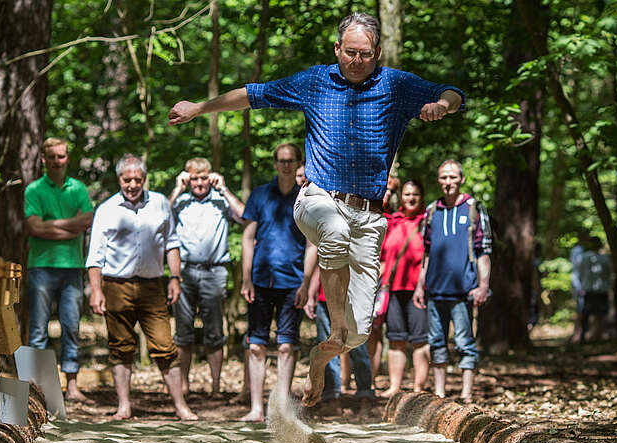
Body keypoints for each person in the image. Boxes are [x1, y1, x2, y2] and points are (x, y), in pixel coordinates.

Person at [168, 12, 464, 407]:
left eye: (366, 54)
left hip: (369, 215)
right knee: (334, 232)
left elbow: (452, 91)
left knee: (359, 332)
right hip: (317, 201)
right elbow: (253, 94)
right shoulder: (314, 82)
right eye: (350, 52)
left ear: (377, 53)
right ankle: (336, 324)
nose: (357, 61)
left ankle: (322, 355)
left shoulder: (395, 86)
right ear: (337, 49)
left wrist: (442, 105)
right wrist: (198, 108)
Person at [86, 154, 197, 421]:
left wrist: (175, 277)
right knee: (120, 347)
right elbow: (95, 255)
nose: (133, 184)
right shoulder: (106, 209)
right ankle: (124, 406)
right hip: (116, 286)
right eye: (127, 179)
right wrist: (97, 290)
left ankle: (181, 407)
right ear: (119, 179)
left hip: (152, 287)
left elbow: (171, 243)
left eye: (138, 179)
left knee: (165, 346)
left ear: (145, 178)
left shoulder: (159, 203)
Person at [239, 143, 315, 422]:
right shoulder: (259, 195)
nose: (285, 165)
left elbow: (312, 245)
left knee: (286, 346)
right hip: (259, 280)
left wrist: (306, 284)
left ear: (298, 163)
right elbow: (248, 239)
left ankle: (281, 406)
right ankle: (257, 408)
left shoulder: (306, 199)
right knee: (257, 345)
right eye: (281, 160)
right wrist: (245, 278)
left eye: (290, 161)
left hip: (292, 282)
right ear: (275, 163)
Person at [412, 160, 491, 402]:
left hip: (464, 290)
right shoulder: (432, 211)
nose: (448, 182)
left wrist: (483, 286)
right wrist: (419, 286)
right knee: (436, 343)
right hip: (435, 290)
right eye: (444, 178)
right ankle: (440, 394)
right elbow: (426, 252)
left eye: (452, 177)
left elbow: (484, 251)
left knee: (465, 343)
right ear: (439, 180)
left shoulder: (473, 209)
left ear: (461, 179)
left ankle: (467, 395)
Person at [25, 138, 94, 403]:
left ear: (67, 158)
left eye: (61, 156)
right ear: (43, 159)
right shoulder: (34, 189)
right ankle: (36, 389)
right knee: (39, 328)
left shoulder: (78, 188)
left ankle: (72, 387)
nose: (57, 161)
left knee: (71, 326)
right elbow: (34, 227)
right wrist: (71, 226)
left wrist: (52, 225)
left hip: (72, 267)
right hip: (41, 266)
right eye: (52, 157)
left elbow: (87, 221)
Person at [169, 157, 245, 397]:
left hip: (215, 271)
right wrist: (176, 189)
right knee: (183, 333)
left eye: (204, 178)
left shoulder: (221, 200)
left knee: (214, 332)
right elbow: (157, 219)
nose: (199, 183)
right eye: (194, 178)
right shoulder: (180, 200)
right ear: (188, 179)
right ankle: (183, 386)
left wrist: (224, 189)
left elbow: (246, 218)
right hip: (184, 272)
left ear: (211, 178)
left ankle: (215, 386)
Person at [379, 179, 429, 398]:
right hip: (393, 288)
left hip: (419, 289)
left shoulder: (427, 221)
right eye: (407, 194)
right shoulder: (393, 221)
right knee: (396, 338)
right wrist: (389, 189)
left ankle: (419, 388)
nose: (411, 198)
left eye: (415, 194)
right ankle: (395, 386)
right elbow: (378, 208)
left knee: (420, 340)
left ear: (421, 197)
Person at [304, 260, 374, 416]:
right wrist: (310, 294)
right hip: (325, 300)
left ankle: (365, 398)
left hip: (353, 300)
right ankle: (332, 400)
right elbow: (321, 263)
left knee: (358, 349)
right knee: (326, 347)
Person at [576, 236, 613, 342]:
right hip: (595, 290)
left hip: (594, 290)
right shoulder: (589, 257)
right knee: (594, 315)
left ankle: (594, 336)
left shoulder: (586, 257)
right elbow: (609, 274)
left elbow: (580, 274)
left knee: (592, 314)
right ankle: (590, 336)